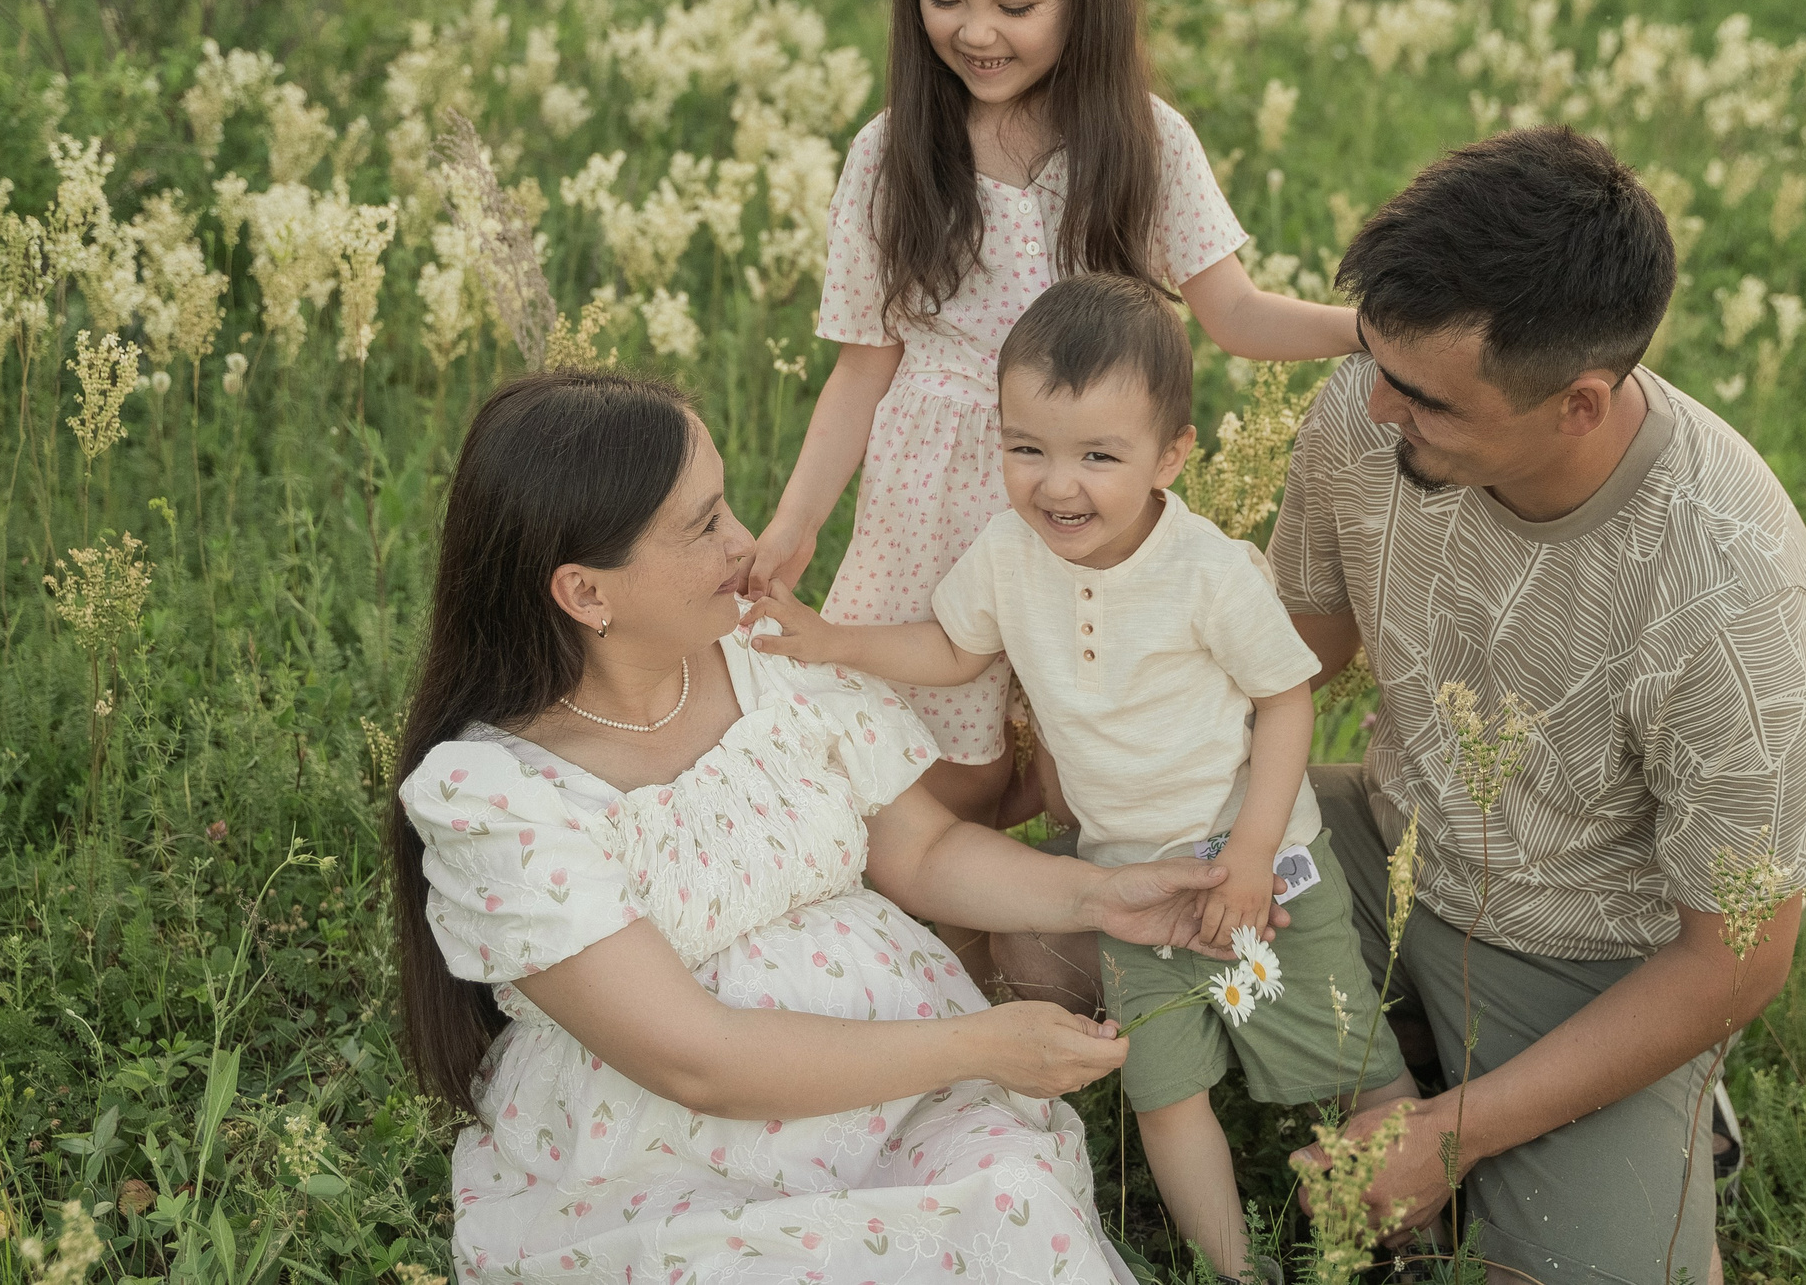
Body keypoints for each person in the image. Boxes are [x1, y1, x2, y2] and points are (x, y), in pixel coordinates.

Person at [388, 370, 1269, 1282]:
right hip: (672, 1145)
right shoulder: (502, 797)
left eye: (726, 503)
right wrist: (984, 1044)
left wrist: (1103, 895)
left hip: (902, 1086)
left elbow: (923, 848)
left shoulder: (766, 658)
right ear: (585, 591)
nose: (745, 540)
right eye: (704, 525)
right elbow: (697, 1060)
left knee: (1010, 1203)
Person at [754, 276, 1414, 1285]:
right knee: (1165, 1095)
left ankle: (1408, 1233)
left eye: (1098, 456)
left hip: (1260, 866)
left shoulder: (1206, 570)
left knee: (1350, 1060)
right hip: (1128, 882)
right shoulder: (1007, 553)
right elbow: (955, 648)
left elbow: (1284, 700)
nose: (1057, 485)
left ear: (1170, 455)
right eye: (1027, 449)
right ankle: (1235, 1271)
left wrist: (1250, 853)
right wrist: (833, 641)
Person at [1274, 128, 1806, 1285]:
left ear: (1578, 405)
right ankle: (1415, 1057)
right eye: (1374, 360)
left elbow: (1735, 959)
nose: (1374, 408)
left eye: (1425, 399)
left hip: (1593, 964)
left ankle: (1580, 1112)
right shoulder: (1364, 414)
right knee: (1063, 936)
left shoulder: (1735, 596)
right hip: (1383, 846)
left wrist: (1448, 1138)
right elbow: (1294, 662)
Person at [745, 0, 1359, 850]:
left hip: (1088, 494)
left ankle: (1073, 915)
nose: (975, 33)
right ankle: (961, 922)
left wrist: (1373, 330)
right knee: (953, 765)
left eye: (1016, 4)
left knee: (1089, 761)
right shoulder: (891, 154)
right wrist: (796, 525)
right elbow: (861, 369)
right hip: (933, 495)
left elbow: (1236, 313)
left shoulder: (1145, 141)